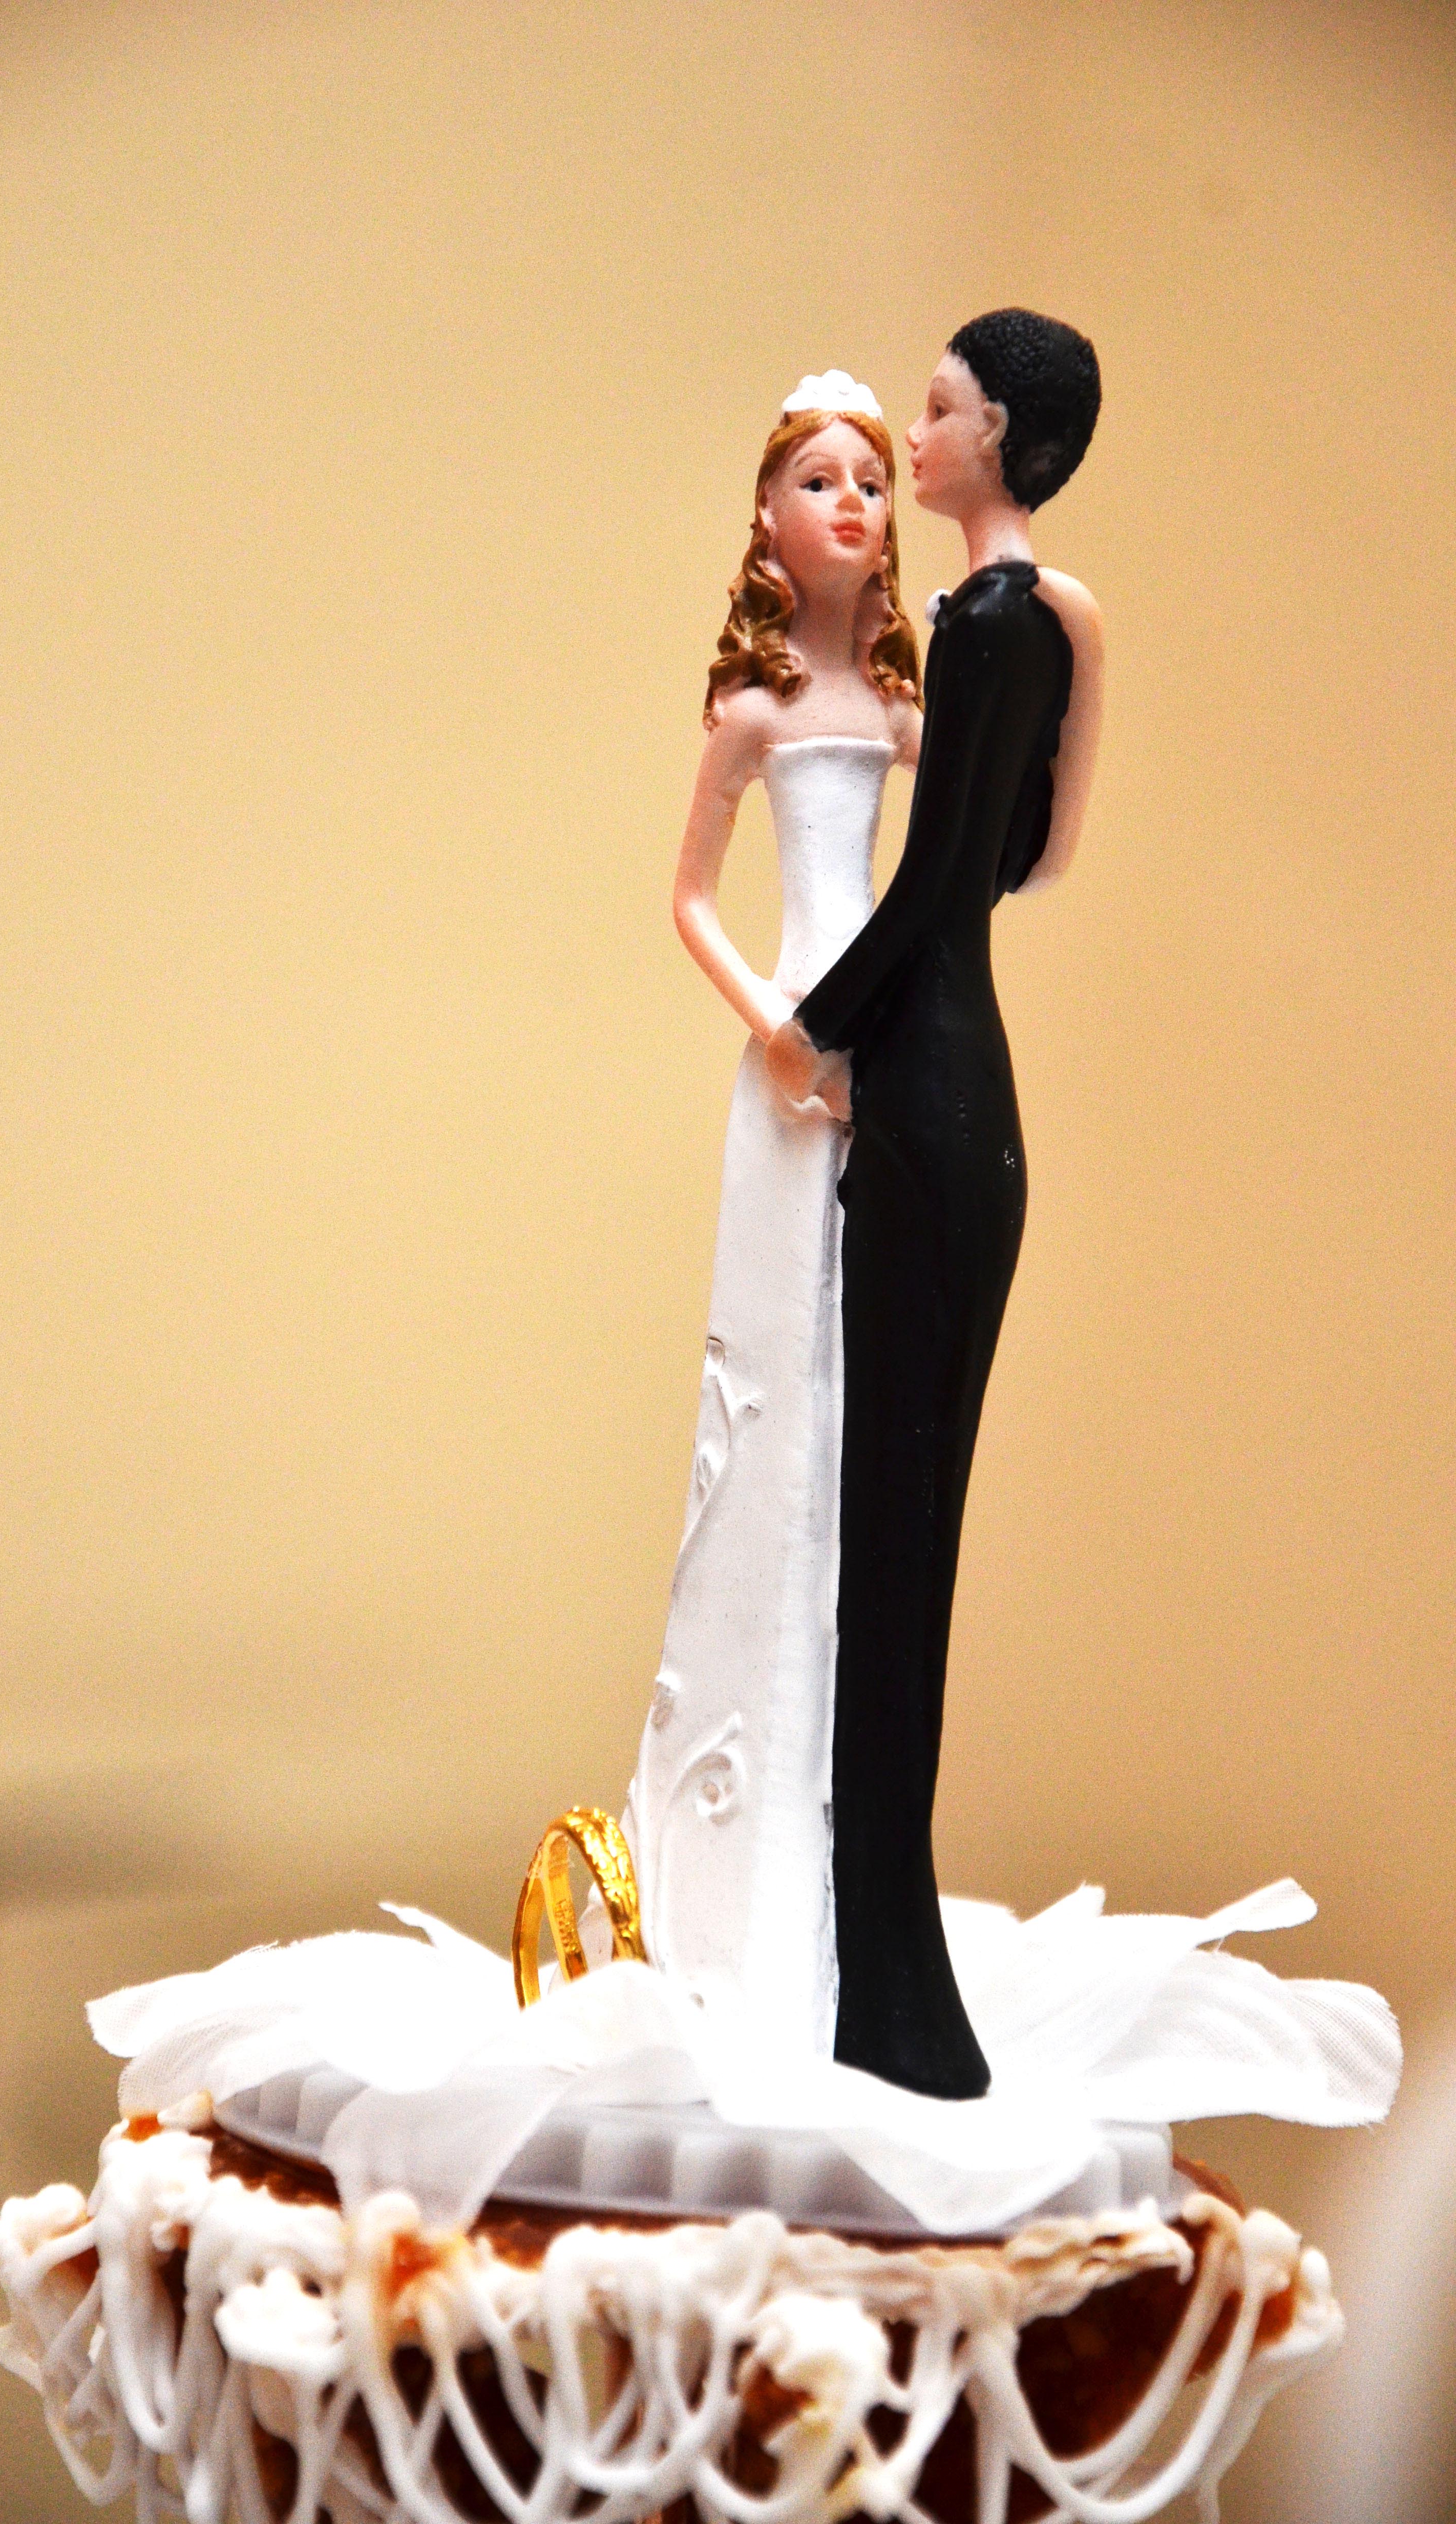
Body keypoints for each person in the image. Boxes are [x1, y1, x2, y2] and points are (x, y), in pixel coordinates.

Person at [767, 310, 1105, 2098]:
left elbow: (936, 892)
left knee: (889, 1556)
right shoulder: (1047, 623)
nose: (919, 434)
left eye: (944, 410)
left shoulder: (985, 624)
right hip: (971, 1095)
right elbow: (1038, 854)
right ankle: (882, 1982)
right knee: (903, 1549)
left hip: (923, 1093)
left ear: (1005, 441)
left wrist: (807, 1029)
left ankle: (889, 2002)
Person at [623, 373, 922, 2057]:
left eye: (870, 479)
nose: (851, 502)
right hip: (798, 1057)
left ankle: (834, 1832)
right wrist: (780, 1028)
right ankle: (726, 1834)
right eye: (820, 478)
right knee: (774, 1382)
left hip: (891, 1044)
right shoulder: (751, 710)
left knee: (864, 1384)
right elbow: (689, 898)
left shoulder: (899, 706)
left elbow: (985, 844)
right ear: (769, 514)